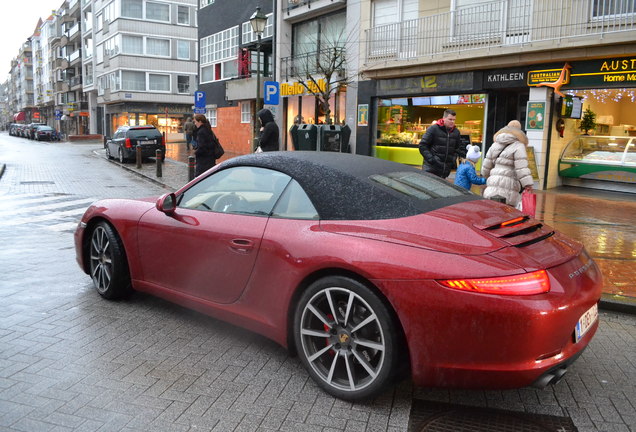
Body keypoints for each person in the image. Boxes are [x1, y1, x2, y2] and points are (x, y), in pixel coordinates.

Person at [482, 120, 534, 207]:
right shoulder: (519, 146)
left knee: (492, 209)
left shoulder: (495, 144)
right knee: (507, 210)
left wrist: (486, 177)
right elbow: (521, 168)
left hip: (493, 180)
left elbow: (486, 166)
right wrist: (527, 184)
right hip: (509, 182)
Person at [418, 109, 466, 178]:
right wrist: (431, 159)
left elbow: (457, 148)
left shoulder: (456, 132)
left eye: (454, 120)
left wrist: (452, 160)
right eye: (450, 119)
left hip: (445, 170)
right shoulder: (433, 129)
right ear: (444, 118)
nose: (452, 122)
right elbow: (422, 145)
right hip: (431, 168)